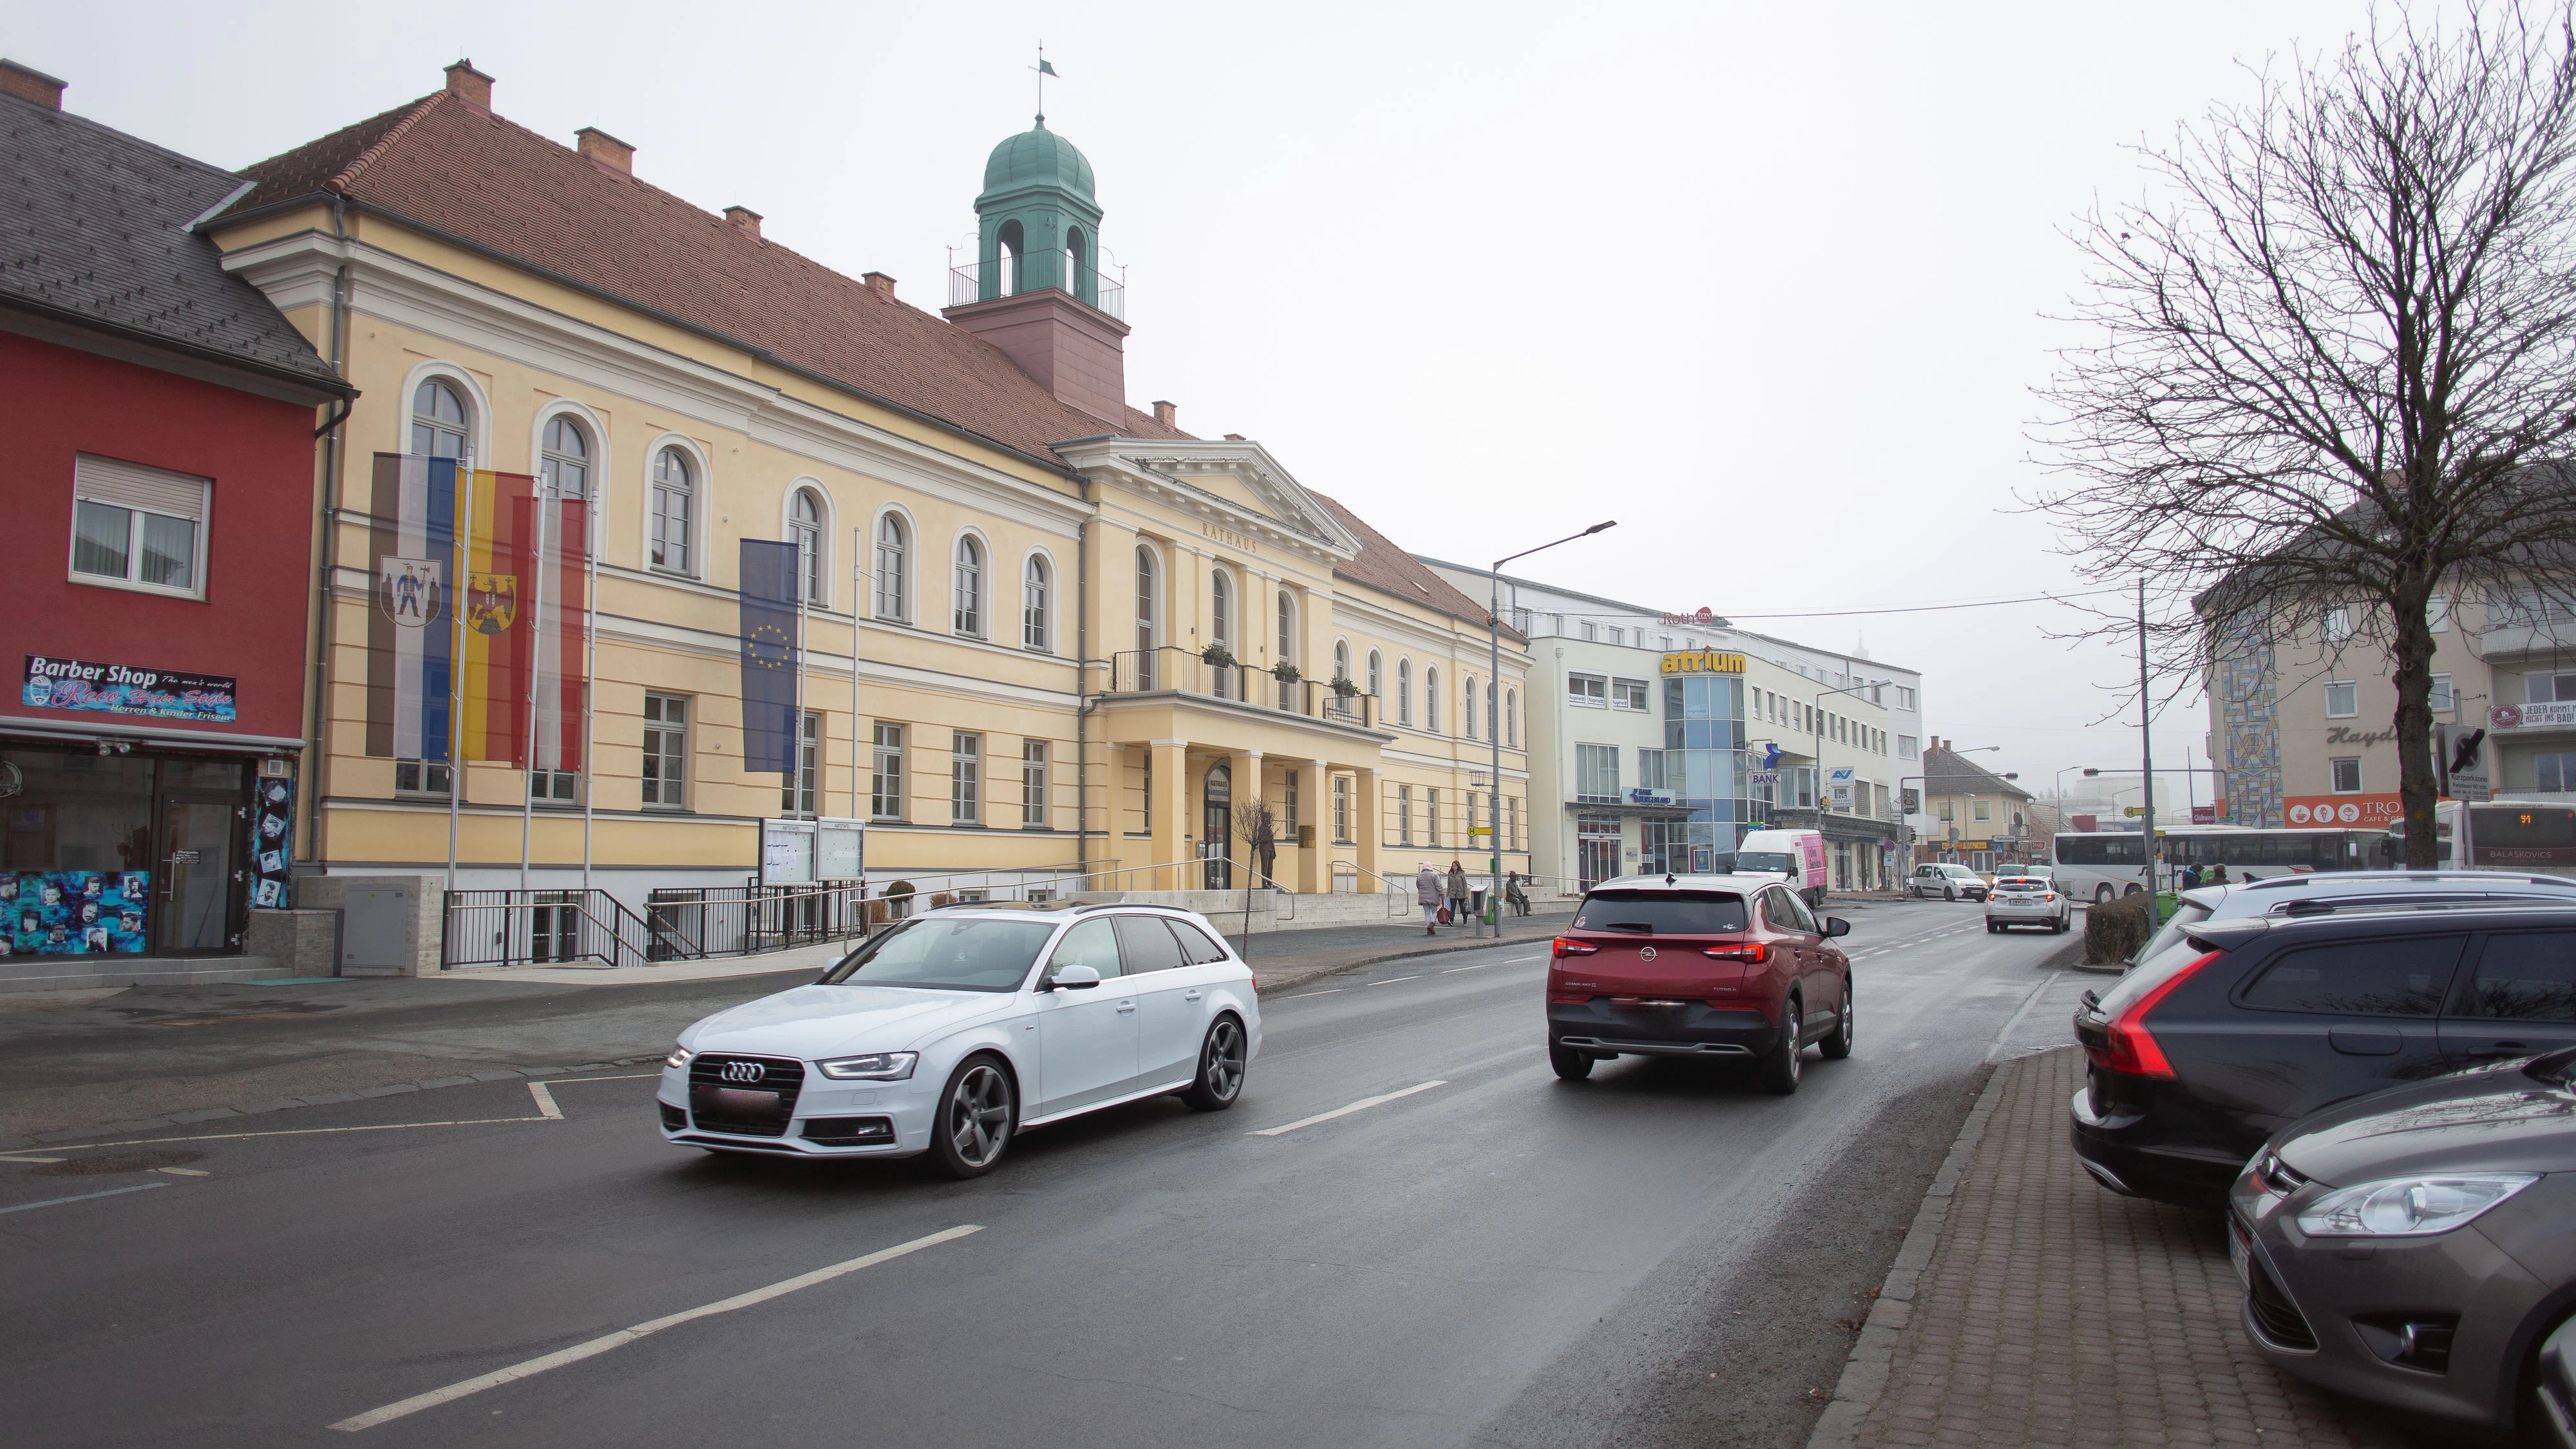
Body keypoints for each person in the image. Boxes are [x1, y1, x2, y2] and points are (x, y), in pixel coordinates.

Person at [1415, 862, 1443, 935]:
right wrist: (1442, 895)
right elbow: (1439, 886)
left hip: (1423, 897)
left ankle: (1428, 928)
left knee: (1427, 913)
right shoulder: (1435, 875)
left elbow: (1418, 886)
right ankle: (1432, 924)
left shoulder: (1419, 876)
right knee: (1434, 912)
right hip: (1433, 897)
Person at [1446, 860, 1470, 928]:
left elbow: (1465, 884)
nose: (1454, 867)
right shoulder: (1450, 873)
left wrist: (1466, 893)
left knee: (1462, 908)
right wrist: (1448, 894)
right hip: (1453, 893)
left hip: (1461, 893)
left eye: (1455, 866)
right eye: (1453, 866)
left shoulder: (1461, 873)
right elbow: (1449, 884)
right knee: (1452, 908)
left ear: (1458, 866)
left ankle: (1465, 919)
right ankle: (1451, 920)